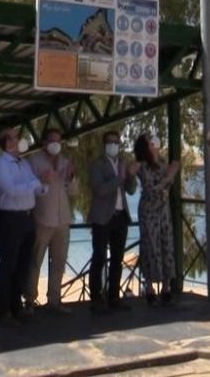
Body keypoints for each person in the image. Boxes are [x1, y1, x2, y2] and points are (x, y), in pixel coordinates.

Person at [0, 128, 54, 325]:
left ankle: (16, 306)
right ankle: (4, 311)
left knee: (23, 264)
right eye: (16, 138)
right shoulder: (0, 165)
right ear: (7, 143)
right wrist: (36, 182)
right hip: (10, 218)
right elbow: (11, 190)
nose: (20, 141)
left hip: (27, 217)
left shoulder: (24, 163)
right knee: (8, 264)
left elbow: (36, 189)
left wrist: (43, 184)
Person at [24, 128, 75, 315]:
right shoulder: (34, 161)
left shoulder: (65, 162)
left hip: (62, 219)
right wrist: (42, 179)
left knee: (59, 261)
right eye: (52, 141)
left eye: (58, 141)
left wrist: (71, 176)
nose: (56, 145)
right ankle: (30, 300)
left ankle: (55, 300)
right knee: (35, 260)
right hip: (42, 218)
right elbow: (29, 188)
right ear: (44, 143)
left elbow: (73, 191)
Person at [87, 130, 139, 314]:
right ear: (104, 145)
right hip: (102, 217)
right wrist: (120, 178)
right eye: (110, 142)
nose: (113, 145)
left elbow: (131, 190)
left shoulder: (122, 164)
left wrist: (131, 176)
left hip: (120, 216)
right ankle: (96, 298)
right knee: (99, 257)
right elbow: (100, 189)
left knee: (117, 259)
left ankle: (114, 297)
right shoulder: (97, 165)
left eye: (116, 142)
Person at [134, 132, 179, 306]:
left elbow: (168, 183)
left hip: (163, 209)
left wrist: (169, 175)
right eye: (150, 143)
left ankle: (166, 286)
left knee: (166, 243)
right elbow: (152, 187)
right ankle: (150, 287)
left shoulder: (161, 162)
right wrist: (169, 177)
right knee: (151, 245)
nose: (155, 145)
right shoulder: (143, 165)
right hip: (149, 210)